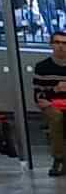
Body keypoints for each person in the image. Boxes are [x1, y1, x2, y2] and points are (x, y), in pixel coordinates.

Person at [33, 31, 66, 177]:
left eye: (64, 43)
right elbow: (38, 94)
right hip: (51, 103)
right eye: (57, 43)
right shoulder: (42, 67)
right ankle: (58, 159)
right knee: (57, 118)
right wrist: (55, 89)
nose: (61, 47)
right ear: (51, 45)